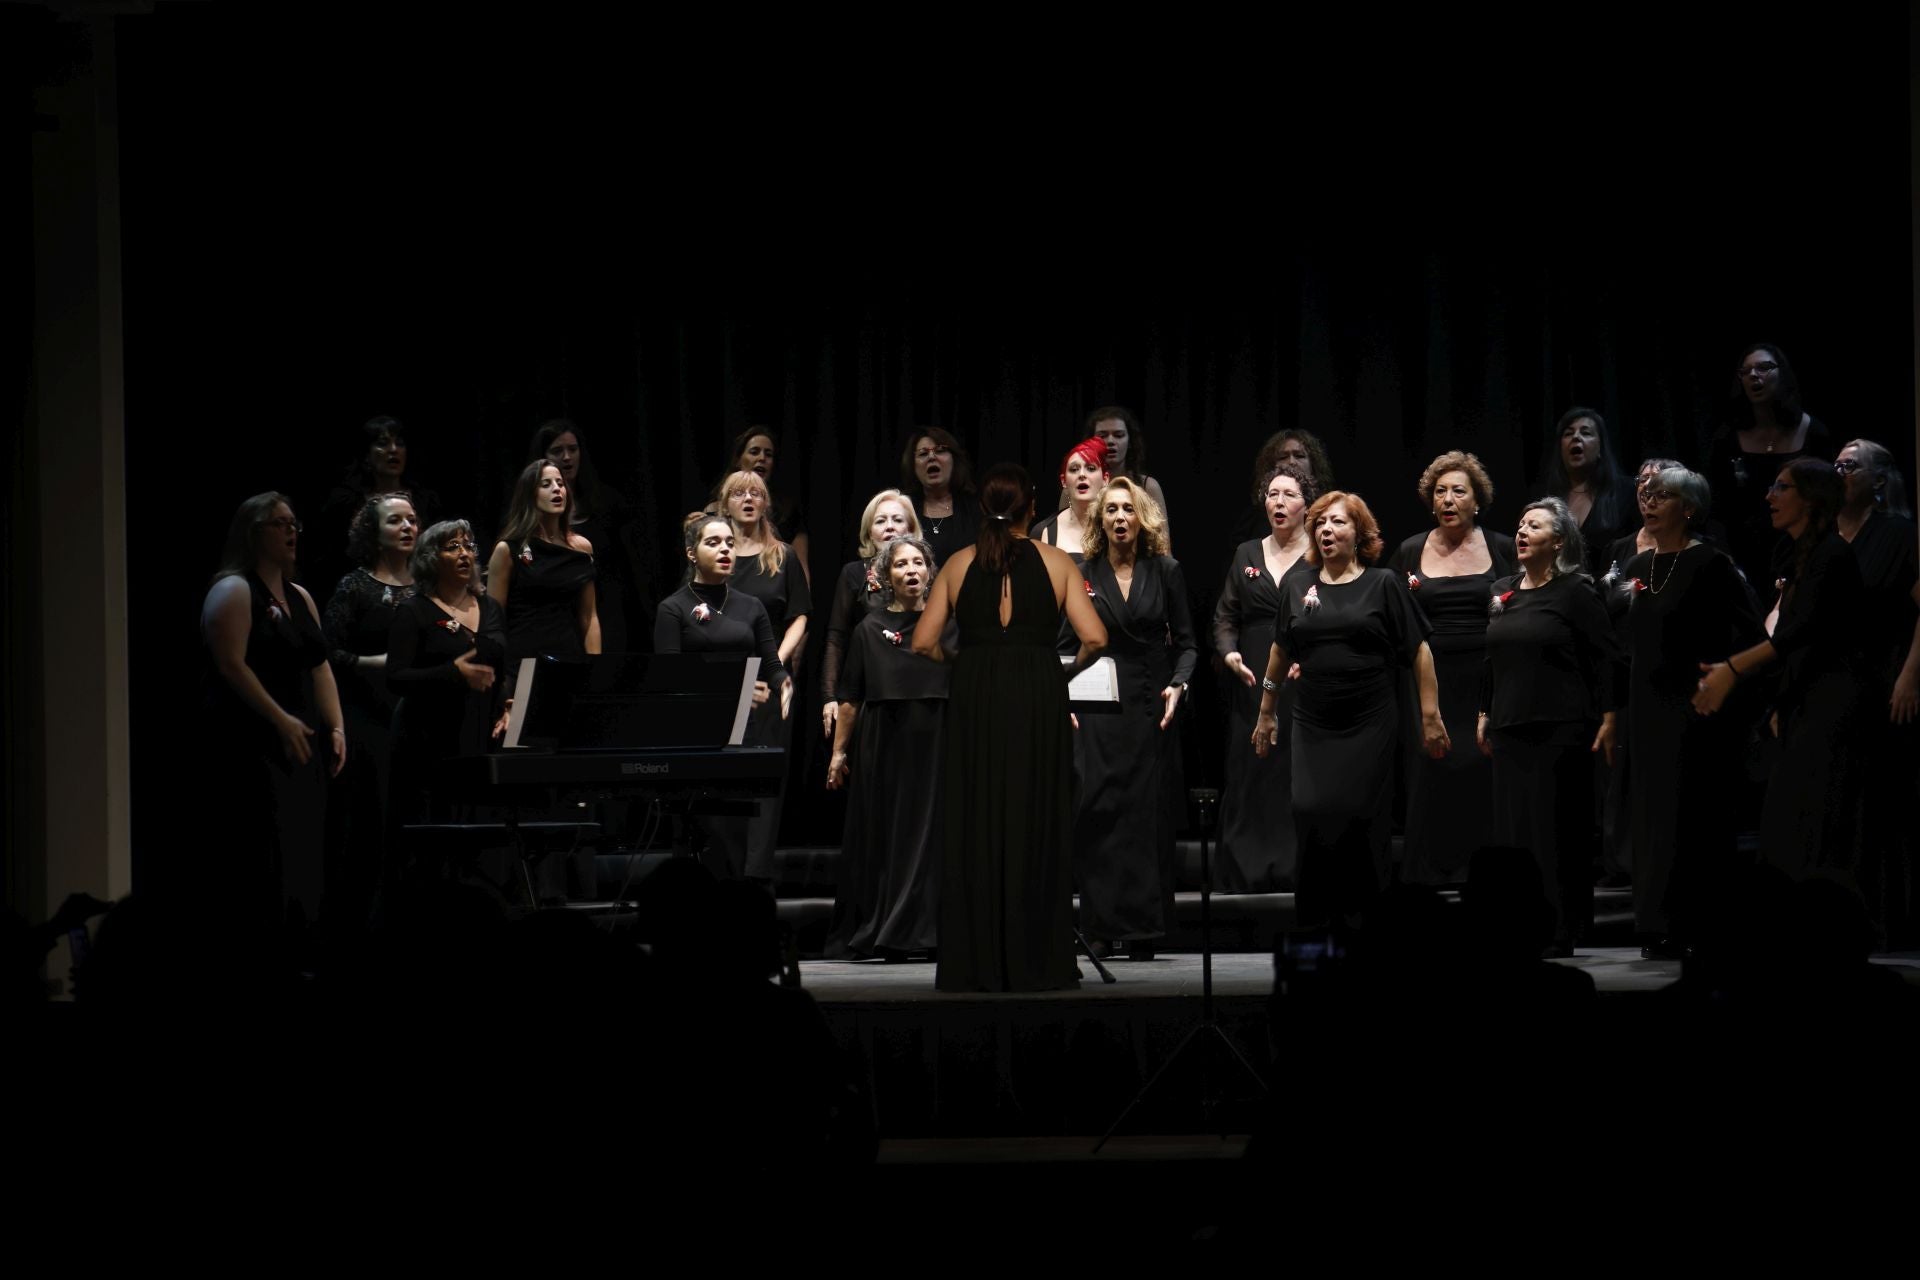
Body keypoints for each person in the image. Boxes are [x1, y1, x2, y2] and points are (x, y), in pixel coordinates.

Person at [912, 463, 1107, 992]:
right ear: (1031, 507)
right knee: (1035, 811)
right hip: (1038, 692)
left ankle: (976, 959)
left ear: (983, 509)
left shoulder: (959, 562)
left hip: (975, 694)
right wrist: (1062, 673)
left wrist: (962, 664)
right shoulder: (1056, 561)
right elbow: (1095, 638)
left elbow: (923, 643)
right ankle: (1035, 957)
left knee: (977, 814)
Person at [1252, 491, 1444, 934]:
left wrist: (1430, 715)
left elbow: (1419, 650)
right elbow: (1280, 651)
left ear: (1359, 534)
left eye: (1337, 522)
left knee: (1359, 817)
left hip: (1369, 720)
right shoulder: (1298, 586)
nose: (1326, 530)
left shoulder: (1383, 584)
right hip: (1313, 721)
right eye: (1320, 523)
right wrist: (1266, 711)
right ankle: (1317, 922)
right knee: (1309, 809)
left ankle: (1367, 924)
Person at [1693, 458, 1869, 884]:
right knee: (1787, 827)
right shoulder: (1798, 558)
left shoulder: (1832, 555)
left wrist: (1733, 669)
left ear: (1810, 499)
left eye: (1781, 487)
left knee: (1816, 827)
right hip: (1803, 702)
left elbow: (1802, 631)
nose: (1769, 495)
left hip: (1831, 705)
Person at [1617, 465, 1763, 958]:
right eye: (1646, 494)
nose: (1650, 502)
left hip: (1693, 707)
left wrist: (1724, 678)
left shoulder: (1710, 562)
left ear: (1690, 508)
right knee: (1651, 817)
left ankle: (1697, 925)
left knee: (1691, 816)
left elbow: (1752, 632)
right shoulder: (1637, 567)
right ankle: (1656, 923)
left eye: (1663, 495)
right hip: (1646, 710)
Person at [1478, 497, 1621, 956]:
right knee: (1515, 835)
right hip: (1509, 728)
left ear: (1558, 541)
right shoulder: (1502, 590)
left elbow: (1605, 656)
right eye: (1520, 524)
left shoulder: (1575, 590)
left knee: (1556, 834)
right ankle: (1517, 928)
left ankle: (1560, 929)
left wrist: (1610, 715)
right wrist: (1484, 712)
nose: (1521, 532)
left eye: (1534, 526)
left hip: (1559, 728)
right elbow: (1492, 657)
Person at [199, 492, 346, 935]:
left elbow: (319, 664)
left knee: (304, 851)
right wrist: (280, 719)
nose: (291, 531)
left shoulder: (300, 597)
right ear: (253, 533)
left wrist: (336, 725)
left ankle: (301, 943)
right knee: (267, 849)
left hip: (302, 743)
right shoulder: (234, 589)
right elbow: (230, 664)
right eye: (279, 523)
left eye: (293, 523)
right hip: (257, 743)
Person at [1069, 478, 1198, 960]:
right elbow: (1065, 644)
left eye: (1128, 510)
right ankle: (1101, 926)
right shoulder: (1083, 573)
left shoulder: (1166, 570)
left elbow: (1187, 644)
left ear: (1142, 519)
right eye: (1112, 510)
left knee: (1146, 816)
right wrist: (1064, 697)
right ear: (1100, 520)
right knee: (1100, 811)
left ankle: (1144, 928)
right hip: (1097, 704)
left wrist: (1179, 684)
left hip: (1151, 703)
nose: (1120, 518)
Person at [1387, 451, 1515, 885]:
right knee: (1432, 771)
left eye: (1459, 491)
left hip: (1488, 680)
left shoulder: (1502, 548)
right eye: (1440, 492)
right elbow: (1391, 617)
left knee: (1484, 771)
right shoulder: (1410, 551)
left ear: (1477, 500)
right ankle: (1429, 876)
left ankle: (1487, 877)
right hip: (1428, 682)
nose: (1448, 499)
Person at [824, 536, 948, 959]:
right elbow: (850, 698)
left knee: (935, 838)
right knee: (890, 837)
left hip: (939, 744)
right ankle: (889, 931)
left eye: (918, 563)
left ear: (930, 571)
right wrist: (839, 753)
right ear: (885, 576)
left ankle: (931, 932)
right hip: (886, 745)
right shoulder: (869, 629)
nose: (911, 570)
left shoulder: (950, 624)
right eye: (901, 565)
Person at [655, 516, 791, 880]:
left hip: (741, 729)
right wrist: (737, 689)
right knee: (701, 830)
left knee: (735, 828)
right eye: (713, 543)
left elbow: (771, 663)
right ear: (692, 553)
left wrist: (783, 683)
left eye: (729, 542)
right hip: (693, 732)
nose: (725, 549)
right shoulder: (673, 608)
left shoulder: (751, 606)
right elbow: (669, 676)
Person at [1213, 462, 1317, 892]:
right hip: (1252, 675)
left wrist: (1313, 657)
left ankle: (1295, 868)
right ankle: (1245, 870)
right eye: (1273, 494)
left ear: (1306, 505)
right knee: (1250, 769)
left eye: (1289, 494)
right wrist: (1229, 652)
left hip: (1302, 679)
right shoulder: (1247, 553)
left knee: (1294, 771)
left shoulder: (1319, 553)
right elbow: (1225, 615)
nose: (1279, 501)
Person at [1834, 438, 1919, 946]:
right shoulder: (1824, 535)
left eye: (1850, 465)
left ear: (1879, 480)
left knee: (1888, 805)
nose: (1839, 472)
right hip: (1838, 690)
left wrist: (1911, 676)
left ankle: (1893, 921)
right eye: (1836, 464)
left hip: (1888, 681)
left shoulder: (1898, 535)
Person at [322, 492, 419, 924]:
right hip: (368, 719)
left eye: (412, 519)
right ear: (374, 533)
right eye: (395, 520)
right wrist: (374, 663)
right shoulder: (355, 587)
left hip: (416, 720)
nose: (407, 527)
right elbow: (327, 653)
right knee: (371, 825)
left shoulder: (427, 588)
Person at [386, 520, 509, 829]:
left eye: (468, 546)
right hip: (429, 743)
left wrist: (508, 707)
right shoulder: (414, 611)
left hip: (480, 739)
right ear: (431, 559)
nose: (464, 553)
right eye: (453, 547)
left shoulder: (490, 607)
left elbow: (501, 666)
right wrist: (451, 673)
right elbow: (396, 677)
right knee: (436, 833)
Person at [722, 469, 810, 884]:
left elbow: (799, 616)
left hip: (771, 676)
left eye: (755, 493)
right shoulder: (714, 554)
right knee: (725, 777)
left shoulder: (782, 556)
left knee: (765, 777)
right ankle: (724, 875)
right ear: (725, 503)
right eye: (739, 493)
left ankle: (755, 878)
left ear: (766, 503)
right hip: (724, 677)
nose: (748, 499)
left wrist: (776, 661)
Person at [1703, 344, 1831, 595]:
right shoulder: (1727, 437)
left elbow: (1829, 497)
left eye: (1764, 367)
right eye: (1746, 371)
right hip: (1744, 554)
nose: (1753, 375)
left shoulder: (1814, 432)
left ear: (1782, 374)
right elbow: (1716, 505)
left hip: (1803, 548)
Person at [529, 419, 643, 656]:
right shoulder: (530, 515)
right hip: (555, 619)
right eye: (557, 451)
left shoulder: (606, 503)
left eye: (573, 449)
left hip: (605, 612)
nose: (567, 457)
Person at [819, 489, 922, 742]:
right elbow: (836, 638)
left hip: (917, 689)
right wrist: (830, 696)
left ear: (910, 529)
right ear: (869, 533)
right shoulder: (854, 573)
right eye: (880, 521)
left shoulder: (925, 571)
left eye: (897, 520)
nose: (889, 527)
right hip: (869, 691)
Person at [487, 459, 601, 677]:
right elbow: (493, 621)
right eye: (546, 484)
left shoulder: (582, 548)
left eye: (560, 483)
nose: (557, 489)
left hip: (570, 661)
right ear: (529, 494)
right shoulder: (508, 550)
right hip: (522, 665)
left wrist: (595, 667)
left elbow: (589, 617)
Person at [316, 415, 440, 595]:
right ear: (366, 455)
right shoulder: (345, 502)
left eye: (399, 443)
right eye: (383, 444)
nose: (393, 450)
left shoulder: (425, 500)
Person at [1535, 407, 1635, 578]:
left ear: (1601, 447)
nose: (1576, 437)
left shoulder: (1626, 492)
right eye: (1568, 433)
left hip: (1610, 590)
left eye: (1586, 433)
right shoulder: (1546, 496)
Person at [718, 427, 809, 579]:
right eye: (754, 452)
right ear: (738, 460)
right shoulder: (714, 511)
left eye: (768, 454)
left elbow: (801, 572)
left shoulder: (788, 512)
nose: (762, 458)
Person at [1074, 406, 1170, 549]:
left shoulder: (1148, 487)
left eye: (1118, 435)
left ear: (1130, 442)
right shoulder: (1075, 488)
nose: (1110, 441)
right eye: (1102, 436)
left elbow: (1164, 549)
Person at [1231, 430, 1336, 547]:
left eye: (1299, 456)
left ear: (1313, 464)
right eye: (1283, 457)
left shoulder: (1330, 510)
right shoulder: (1254, 520)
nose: (1291, 462)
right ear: (1272, 465)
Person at [900, 427, 978, 566]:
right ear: (913, 466)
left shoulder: (976, 507)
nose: (931, 457)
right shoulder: (902, 510)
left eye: (940, 450)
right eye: (923, 454)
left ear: (954, 460)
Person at [1030, 437, 1108, 557]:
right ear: (1064, 481)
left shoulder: (1118, 526)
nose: (1082, 474)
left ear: (1105, 479)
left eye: (1091, 468)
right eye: (1074, 469)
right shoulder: (1043, 531)